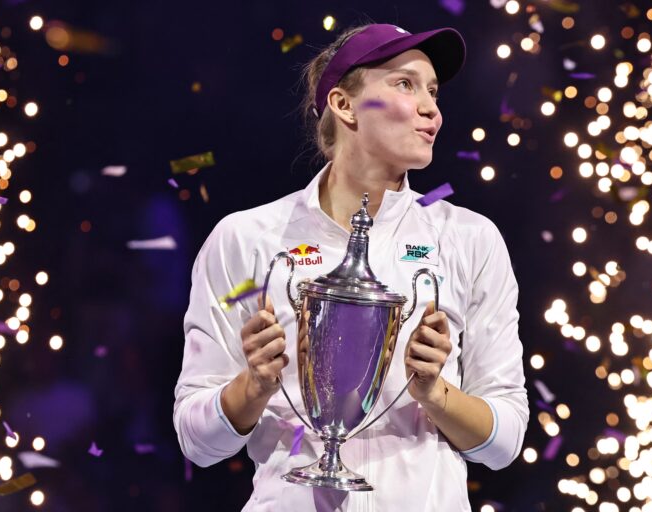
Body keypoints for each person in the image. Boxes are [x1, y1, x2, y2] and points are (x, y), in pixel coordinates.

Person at [174, 23, 528, 511]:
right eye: (405, 84)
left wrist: (435, 392)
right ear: (343, 105)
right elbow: (197, 442)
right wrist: (251, 387)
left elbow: (504, 443)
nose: (431, 109)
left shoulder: (469, 239)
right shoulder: (246, 238)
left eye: (433, 91)